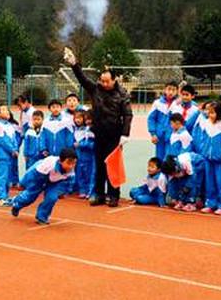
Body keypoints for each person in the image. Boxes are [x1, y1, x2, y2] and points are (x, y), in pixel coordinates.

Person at [65, 47, 133, 207]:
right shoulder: (95, 89)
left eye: (107, 81)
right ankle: (99, 194)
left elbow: (128, 115)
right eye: (102, 80)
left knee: (113, 165)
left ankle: (114, 195)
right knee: (100, 165)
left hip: (115, 134)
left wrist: (125, 134)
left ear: (114, 80)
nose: (104, 83)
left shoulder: (122, 95)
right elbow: (82, 79)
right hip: (98, 133)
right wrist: (74, 64)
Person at [11, 148, 77, 225]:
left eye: (74, 163)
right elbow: (31, 173)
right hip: (40, 176)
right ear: (60, 161)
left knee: (52, 198)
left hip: (54, 182)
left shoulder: (71, 173)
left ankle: (42, 217)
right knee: (30, 196)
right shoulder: (48, 164)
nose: (71, 166)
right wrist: (23, 183)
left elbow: (68, 184)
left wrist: (62, 192)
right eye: (68, 163)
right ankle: (17, 203)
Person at [200, 102, 221, 215]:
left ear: (219, 113)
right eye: (209, 112)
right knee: (210, 182)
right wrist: (204, 151)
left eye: (212, 112)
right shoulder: (206, 122)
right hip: (208, 158)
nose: (209, 115)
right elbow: (203, 138)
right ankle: (210, 203)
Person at [0, 104, 19, 206]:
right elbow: (3, 140)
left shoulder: (9, 125)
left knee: (8, 177)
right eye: (3, 110)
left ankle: (5, 196)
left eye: (7, 109)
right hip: (2, 155)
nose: (7, 111)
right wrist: (12, 150)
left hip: (10, 155)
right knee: (2, 176)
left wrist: (15, 149)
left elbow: (13, 139)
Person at [147, 81, 179, 161]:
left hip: (173, 136)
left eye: (173, 90)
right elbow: (151, 119)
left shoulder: (178, 104)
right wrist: (153, 133)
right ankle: (160, 173)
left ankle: (169, 173)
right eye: (169, 89)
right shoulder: (157, 103)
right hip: (159, 136)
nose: (171, 92)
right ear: (165, 90)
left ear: (177, 91)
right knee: (159, 158)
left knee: (171, 157)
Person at [74, 110, 96, 199]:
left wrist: (81, 145)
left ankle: (90, 192)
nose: (88, 121)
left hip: (89, 157)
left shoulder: (92, 130)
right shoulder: (80, 130)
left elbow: (93, 145)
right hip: (79, 157)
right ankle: (82, 190)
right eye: (76, 118)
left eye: (80, 118)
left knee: (90, 174)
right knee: (80, 174)